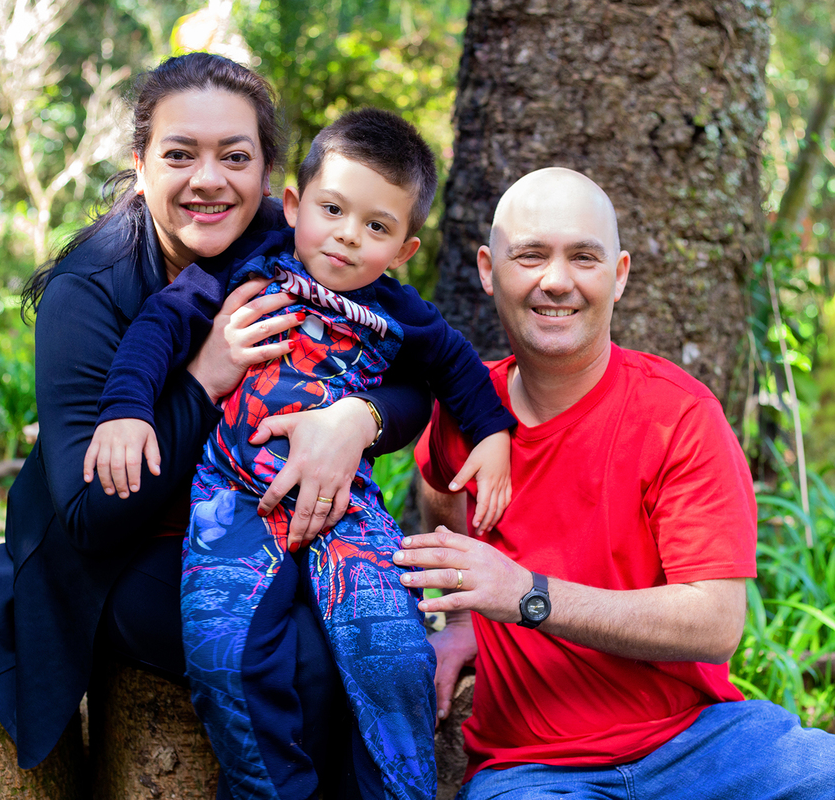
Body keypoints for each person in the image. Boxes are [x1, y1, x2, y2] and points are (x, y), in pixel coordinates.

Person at [0, 54, 433, 799]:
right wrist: (207, 375)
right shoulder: (90, 292)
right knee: (298, 658)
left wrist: (356, 419)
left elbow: (415, 367)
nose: (210, 180)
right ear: (141, 165)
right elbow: (92, 517)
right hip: (123, 557)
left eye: (234, 157)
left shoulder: (297, 238)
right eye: (180, 155)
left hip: (261, 524)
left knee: (370, 635)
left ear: (270, 176)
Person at [395, 168, 835, 799]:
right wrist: (468, 614)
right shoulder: (463, 415)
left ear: (621, 274)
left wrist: (525, 595)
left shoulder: (677, 414)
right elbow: (439, 491)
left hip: (700, 742)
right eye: (530, 255)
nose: (556, 280)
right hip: (533, 768)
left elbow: (715, 622)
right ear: (489, 270)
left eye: (584, 257)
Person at [83, 108, 516, 800]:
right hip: (235, 501)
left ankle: (397, 789)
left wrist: (493, 437)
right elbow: (160, 325)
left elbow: (457, 368)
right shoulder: (246, 268)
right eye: (333, 210)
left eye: (376, 227)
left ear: (404, 249)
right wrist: (126, 410)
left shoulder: (400, 311)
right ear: (293, 205)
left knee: (395, 650)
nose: (347, 236)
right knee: (230, 653)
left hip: (346, 508)